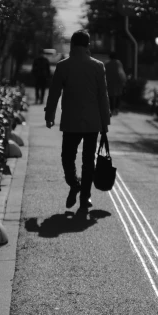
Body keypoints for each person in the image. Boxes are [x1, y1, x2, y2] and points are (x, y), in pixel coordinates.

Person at [45, 30, 111, 211]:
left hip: (70, 120)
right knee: (88, 161)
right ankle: (85, 197)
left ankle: (74, 183)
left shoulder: (63, 66)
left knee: (67, 157)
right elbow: (102, 96)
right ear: (88, 45)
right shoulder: (98, 66)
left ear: (72, 45)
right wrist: (105, 121)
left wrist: (49, 115)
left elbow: (54, 93)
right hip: (92, 122)